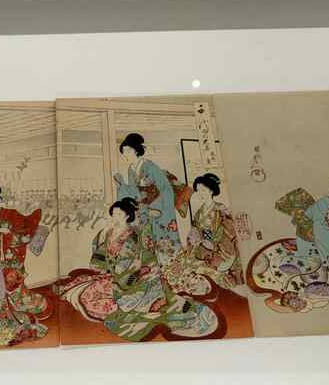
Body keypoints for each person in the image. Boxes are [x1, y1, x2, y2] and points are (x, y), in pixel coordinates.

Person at [57, 197, 220, 342]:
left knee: (113, 300)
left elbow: (135, 261)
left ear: (127, 216)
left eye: (119, 214)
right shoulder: (108, 233)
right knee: (82, 289)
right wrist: (102, 268)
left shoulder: (133, 236)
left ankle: (164, 311)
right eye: (113, 214)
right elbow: (100, 254)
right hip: (113, 275)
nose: (115, 217)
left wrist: (122, 278)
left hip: (131, 278)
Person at [247, 172, 329, 313]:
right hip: (308, 237)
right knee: (314, 266)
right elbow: (319, 231)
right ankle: (291, 293)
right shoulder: (323, 204)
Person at [113, 133, 192, 270]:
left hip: (160, 210)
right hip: (145, 212)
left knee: (164, 243)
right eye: (123, 152)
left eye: (127, 150)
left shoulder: (150, 166)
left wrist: (158, 209)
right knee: (145, 242)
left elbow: (165, 189)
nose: (125, 154)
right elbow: (134, 193)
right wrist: (122, 186)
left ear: (136, 150)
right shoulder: (131, 170)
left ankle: (172, 270)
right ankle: (152, 271)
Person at [0, 184, 53, 321]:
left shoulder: (10, 214)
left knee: (12, 283)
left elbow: (24, 233)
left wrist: (6, 233)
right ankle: (5, 310)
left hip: (14, 257)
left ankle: (33, 305)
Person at [164, 173, 243, 291]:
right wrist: (194, 240)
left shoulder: (221, 209)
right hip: (202, 248)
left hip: (220, 251)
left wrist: (213, 245)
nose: (200, 193)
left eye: (203, 190)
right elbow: (194, 231)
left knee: (201, 271)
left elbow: (230, 233)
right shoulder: (199, 212)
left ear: (211, 191)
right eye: (198, 190)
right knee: (182, 264)